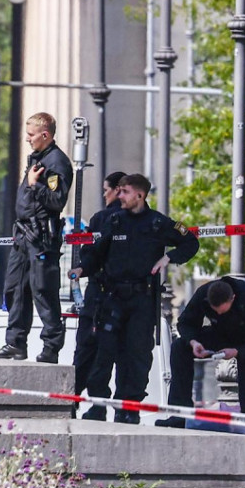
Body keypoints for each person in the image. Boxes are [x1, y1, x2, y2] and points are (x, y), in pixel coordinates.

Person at [69, 173, 199, 424]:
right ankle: (98, 405)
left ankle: (128, 408)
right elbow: (95, 254)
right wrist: (82, 269)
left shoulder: (158, 223)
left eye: (125, 192)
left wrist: (168, 258)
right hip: (112, 298)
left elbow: (190, 242)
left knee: (136, 356)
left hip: (141, 301)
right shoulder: (113, 220)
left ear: (139, 195)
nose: (120, 196)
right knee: (102, 353)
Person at [155, 276, 245, 488]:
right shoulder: (204, 294)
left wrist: (239, 352)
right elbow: (185, 322)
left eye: (223, 310)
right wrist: (194, 341)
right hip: (222, 337)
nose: (218, 314)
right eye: (215, 312)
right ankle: (178, 416)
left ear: (233, 298)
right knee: (179, 348)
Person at [0, 112, 73, 362]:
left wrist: (34, 184)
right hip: (23, 235)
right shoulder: (38, 158)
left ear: (45, 135)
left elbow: (57, 200)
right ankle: (15, 342)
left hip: (41, 237)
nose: (27, 139)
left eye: (31, 134)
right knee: (15, 289)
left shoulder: (56, 162)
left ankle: (51, 347)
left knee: (43, 291)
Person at [72, 171, 126, 395]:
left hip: (99, 297)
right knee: (123, 360)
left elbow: (89, 254)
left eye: (106, 191)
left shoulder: (102, 219)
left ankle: (75, 399)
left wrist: (83, 269)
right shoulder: (150, 219)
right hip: (128, 300)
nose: (104, 196)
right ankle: (117, 408)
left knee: (86, 352)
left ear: (117, 191)